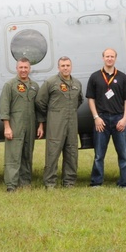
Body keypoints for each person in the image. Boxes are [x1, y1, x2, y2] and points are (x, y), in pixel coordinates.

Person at [86, 48, 126, 187]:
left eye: (112, 56)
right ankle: (96, 182)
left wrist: (125, 119)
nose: (109, 58)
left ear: (115, 58)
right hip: (102, 119)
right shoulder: (95, 77)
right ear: (103, 58)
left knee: (123, 154)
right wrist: (96, 117)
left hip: (119, 118)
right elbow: (90, 99)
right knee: (99, 154)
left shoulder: (122, 77)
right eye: (107, 56)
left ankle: (123, 182)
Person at [36, 56, 84, 188]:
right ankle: (50, 183)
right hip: (56, 123)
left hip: (72, 122)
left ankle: (69, 182)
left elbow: (79, 101)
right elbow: (40, 101)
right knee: (53, 152)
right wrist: (53, 113)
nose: (65, 68)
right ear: (58, 67)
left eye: (68, 65)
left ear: (71, 66)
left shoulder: (76, 84)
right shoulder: (51, 82)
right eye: (63, 65)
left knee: (72, 151)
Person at [0, 57, 43, 192]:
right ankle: (11, 185)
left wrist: (40, 125)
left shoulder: (34, 86)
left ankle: (25, 182)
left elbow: (39, 107)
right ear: (17, 69)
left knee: (27, 154)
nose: (23, 70)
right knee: (13, 154)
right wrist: (7, 127)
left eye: (26, 68)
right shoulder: (10, 85)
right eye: (21, 67)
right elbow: (4, 107)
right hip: (15, 124)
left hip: (30, 125)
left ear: (29, 69)